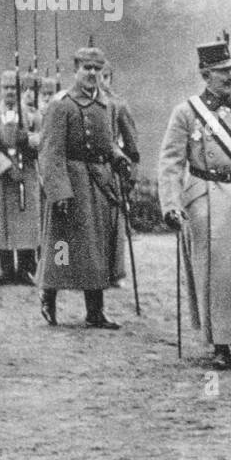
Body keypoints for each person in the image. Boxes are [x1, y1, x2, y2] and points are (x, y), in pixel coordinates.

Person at [159, 36, 231, 370]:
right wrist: (170, 204)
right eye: (221, 71)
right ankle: (221, 343)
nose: (230, 77)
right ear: (205, 73)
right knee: (213, 275)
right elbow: (170, 162)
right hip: (204, 199)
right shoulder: (186, 113)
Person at [38, 46, 129, 329]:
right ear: (75, 70)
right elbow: (50, 152)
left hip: (98, 183)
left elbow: (108, 142)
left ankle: (95, 311)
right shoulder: (61, 105)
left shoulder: (106, 105)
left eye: (97, 70)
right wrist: (59, 191)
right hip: (70, 182)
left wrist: (118, 158)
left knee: (96, 247)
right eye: (86, 69)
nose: (92, 74)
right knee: (61, 247)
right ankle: (48, 298)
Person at [0, 71, 43, 286]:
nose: (10, 92)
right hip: (0, 175)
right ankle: (6, 269)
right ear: (0, 89)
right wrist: (5, 167)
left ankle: (25, 269)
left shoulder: (32, 116)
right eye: (6, 88)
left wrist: (30, 140)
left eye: (13, 88)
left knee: (25, 218)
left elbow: (45, 139)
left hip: (26, 171)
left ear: (21, 90)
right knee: (0, 219)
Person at [99, 62, 139, 290]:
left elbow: (132, 143)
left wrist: (131, 174)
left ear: (110, 78)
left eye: (105, 76)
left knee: (115, 223)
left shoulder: (118, 105)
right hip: (87, 170)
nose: (101, 81)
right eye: (97, 76)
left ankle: (115, 272)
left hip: (112, 170)